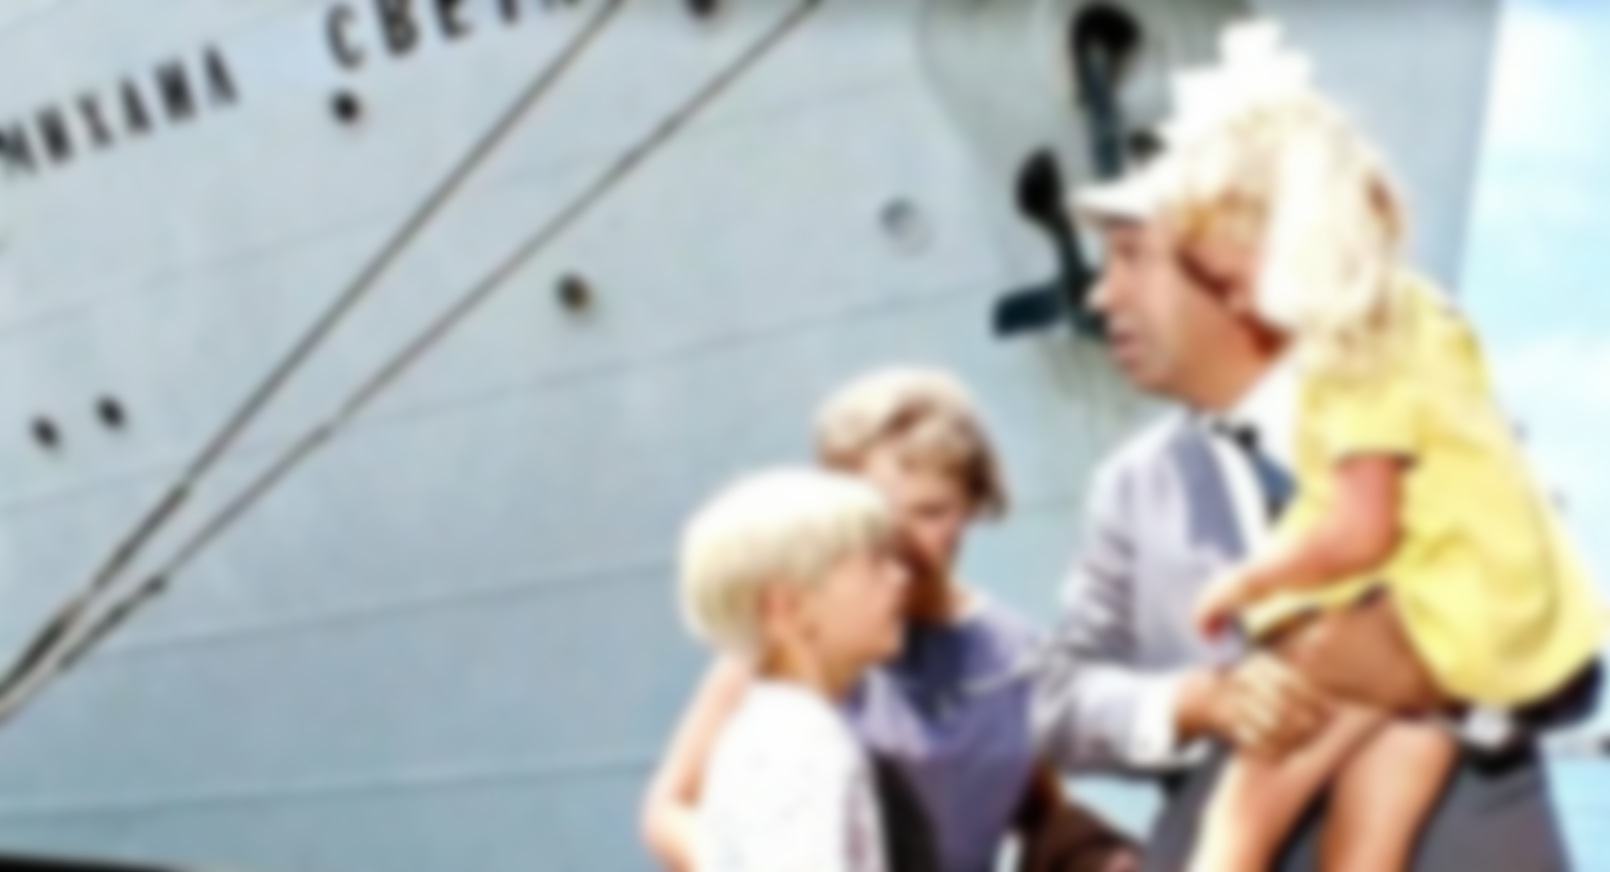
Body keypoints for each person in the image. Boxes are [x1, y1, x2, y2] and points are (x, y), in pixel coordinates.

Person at [1031, 24, 1602, 872]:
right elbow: (1055, 705)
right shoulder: (1132, 488)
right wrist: (1198, 702)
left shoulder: (1426, 417)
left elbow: (1563, 654)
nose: (1100, 295)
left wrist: (1426, 674)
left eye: (1131, 258)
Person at [642, 368, 1138, 872]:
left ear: (974, 503)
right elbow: (669, 809)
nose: (902, 541)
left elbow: (1040, 812)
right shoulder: (793, 650)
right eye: (878, 514)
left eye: (931, 512)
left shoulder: (1013, 659)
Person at [677, 468, 908, 872]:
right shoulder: (796, 746)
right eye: (875, 564)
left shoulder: (779, 729)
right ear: (785, 609)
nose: (900, 577)